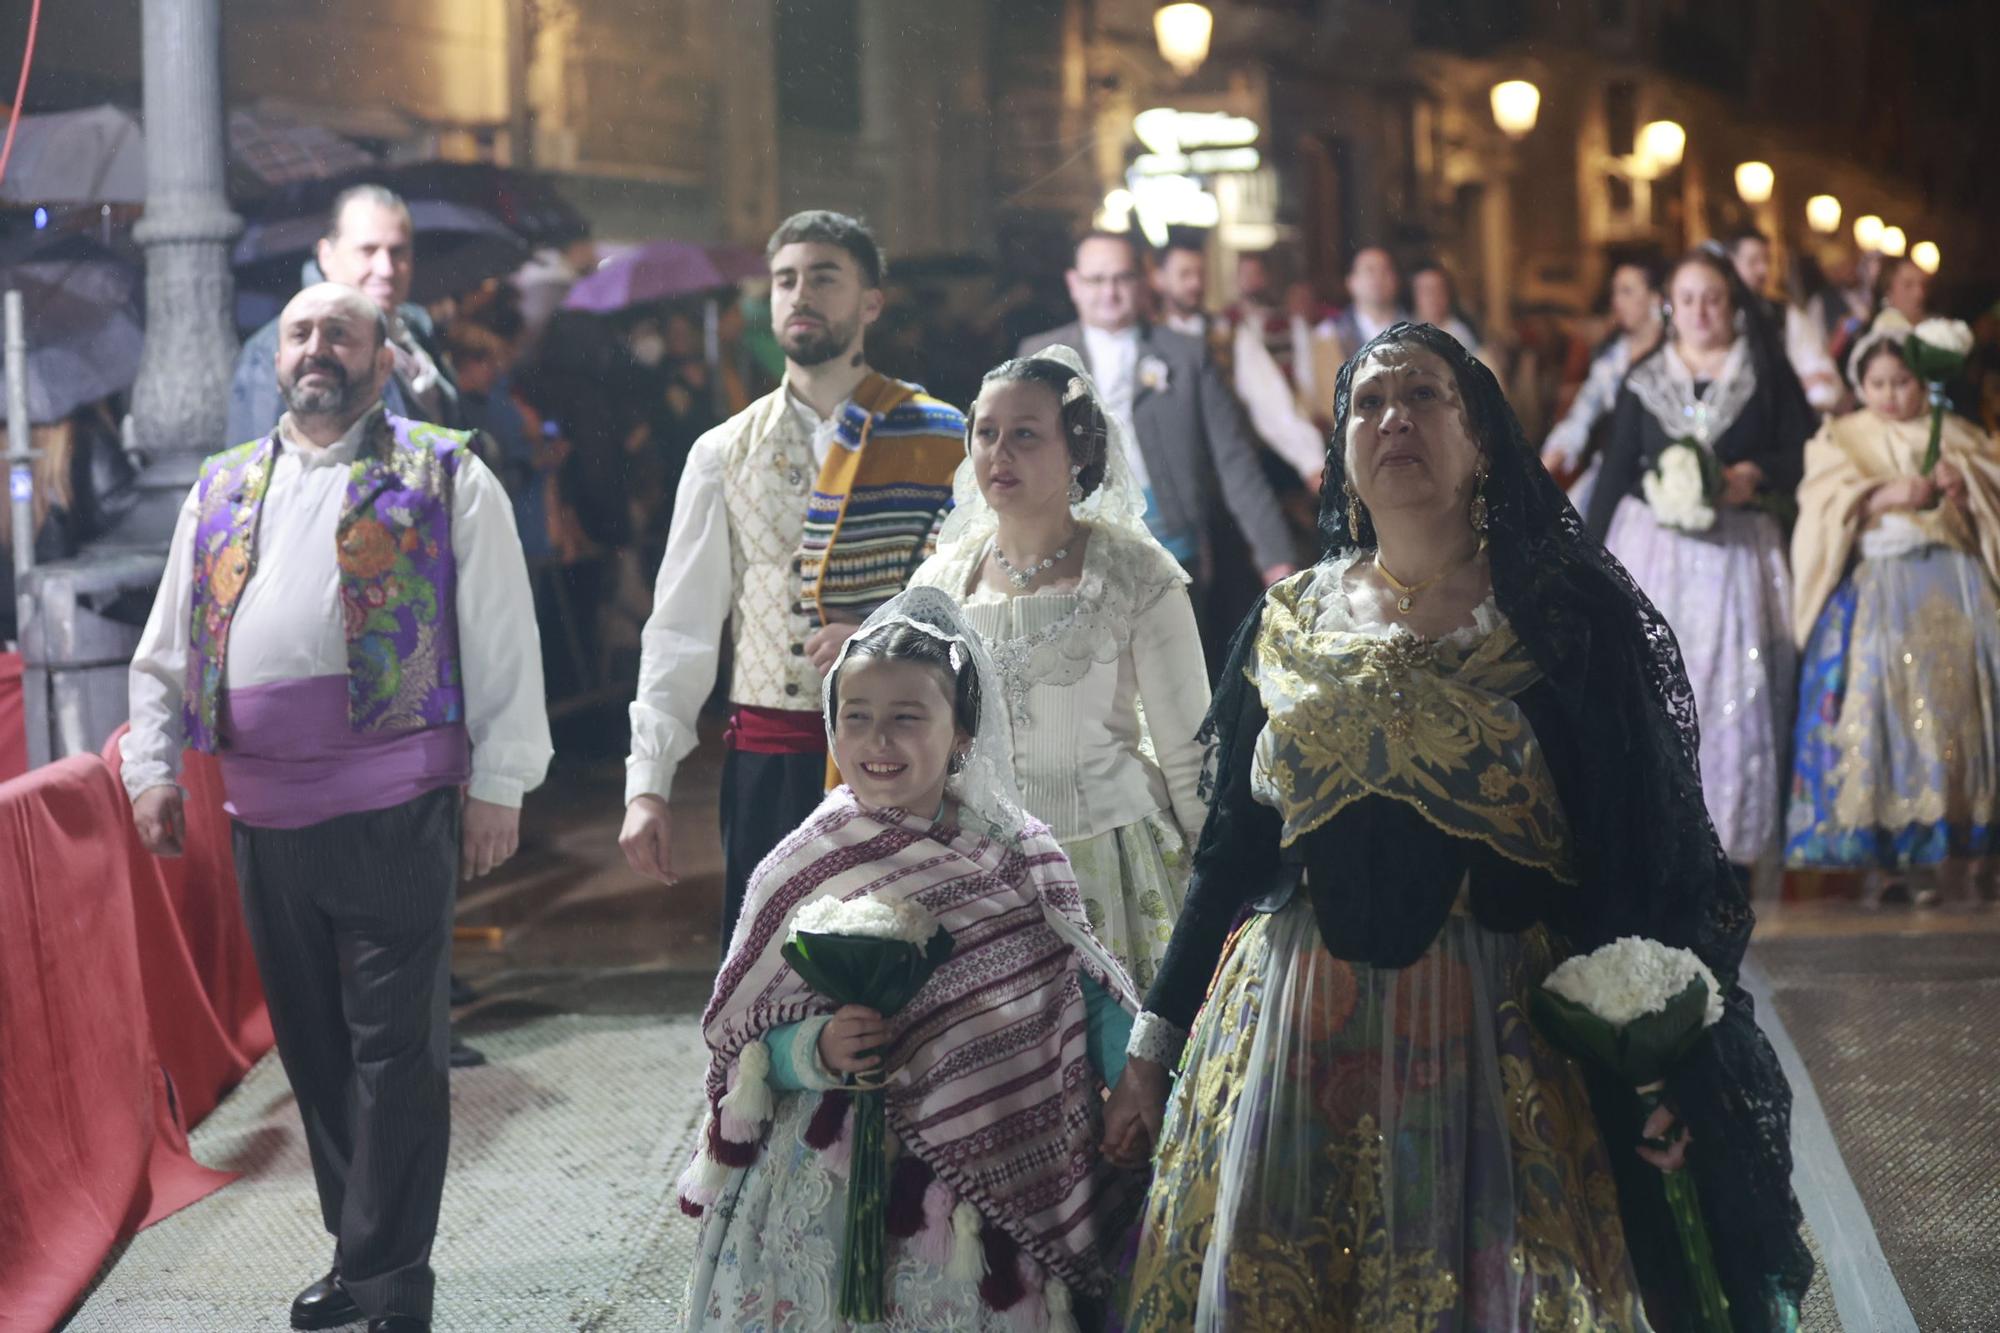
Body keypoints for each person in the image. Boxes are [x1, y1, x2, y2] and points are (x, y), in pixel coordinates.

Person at [1103, 321, 1812, 1330]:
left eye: (1425, 395)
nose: (1393, 417)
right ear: (1341, 450)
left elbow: (1640, 854)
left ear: (1480, 442)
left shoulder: (1563, 620)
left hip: (1500, 1038)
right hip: (1294, 1029)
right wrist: (1148, 1049)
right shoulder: (1285, 624)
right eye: (1368, 401)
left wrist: (1670, 1068)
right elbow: (1228, 854)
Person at [122, 284, 551, 1333]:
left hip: (396, 805)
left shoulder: (445, 471)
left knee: (395, 1049)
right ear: (276, 357)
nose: (318, 349)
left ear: (381, 353)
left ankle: (392, 1276)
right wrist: (152, 767)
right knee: (313, 1049)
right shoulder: (221, 487)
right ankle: (359, 1252)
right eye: (300, 333)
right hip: (263, 814)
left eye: (340, 333)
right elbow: (164, 646)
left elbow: (500, 632)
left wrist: (499, 781)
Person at [680, 586, 1140, 1329]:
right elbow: (742, 1038)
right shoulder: (801, 865)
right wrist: (814, 1048)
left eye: (906, 718)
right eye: (856, 719)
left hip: (1004, 1145)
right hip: (839, 1175)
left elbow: (1078, 985)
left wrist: (1131, 1079)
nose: (878, 742)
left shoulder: (1021, 851)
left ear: (962, 731)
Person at [621, 211, 966, 946]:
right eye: (785, 280)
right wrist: (647, 784)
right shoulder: (723, 451)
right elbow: (682, 625)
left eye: (823, 277)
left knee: (909, 964)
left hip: (908, 751)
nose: (799, 294)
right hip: (771, 758)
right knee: (772, 973)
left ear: (871, 301)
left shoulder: (939, 437)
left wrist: (886, 633)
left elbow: (976, 598)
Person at [910, 347, 1210, 990]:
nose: (999, 453)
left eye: (1025, 434)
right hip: (978, 872)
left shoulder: (1136, 574)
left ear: (1077, 450)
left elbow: (1189, 754)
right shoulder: (938, 583)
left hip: (1111, 866)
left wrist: (1221, 889)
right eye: (986, 434)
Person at [1585, 247, 1816, 885]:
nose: (1701, 311)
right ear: (1670, 308)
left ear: (1733, 305)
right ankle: (1663, 844)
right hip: (1659, 557)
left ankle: (1732, 847)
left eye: (1713, 297)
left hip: (1737, 555)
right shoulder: (1645, 379)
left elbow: (1802, 454)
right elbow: (1614, 475)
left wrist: (1755, 475)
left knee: (1733, 695)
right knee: (1663, 693)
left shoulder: (1765, 375)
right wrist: (1586, 565)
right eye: (1687, 299)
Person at [1786, 316, 2000, 905]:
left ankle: (1958, 848)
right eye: (1877, 383)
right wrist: (1879, 495)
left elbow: (1990, 491)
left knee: (1960, 710)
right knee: (1879, 706)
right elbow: (1823, 504)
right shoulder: (1842, 437)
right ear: (1861, 384)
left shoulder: (1957, 432)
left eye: (1902, 382)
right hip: (1877, 591)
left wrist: (1963, 489)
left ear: (1923, 382)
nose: (1890, 395)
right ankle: (1886, 854)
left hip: (1954, 588)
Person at [1018, 231, 1297, 599]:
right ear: (1074, 284)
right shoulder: (1041, 356)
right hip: (1071, 559)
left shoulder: (1187, 355)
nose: (1110, 292)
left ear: (1142, 282)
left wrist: (1276, 558)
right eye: (1096, 280)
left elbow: (1235, 461)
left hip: (1172, 554)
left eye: (1122, 278)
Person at [229, 185, 460, 444]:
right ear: (326, 256)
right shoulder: (278, 346)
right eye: (368, 251)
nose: (386, 269)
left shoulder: (414, 330)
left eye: (398, 252)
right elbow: (256, 469)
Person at [1153, 237, 1327, 486]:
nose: (1195, 283)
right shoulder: (1144, 338)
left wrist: (1312, 463)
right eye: (1184, 274)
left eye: (1201, 273)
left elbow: (1272, 403)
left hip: (1227, 473)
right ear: (1159, 279)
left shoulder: (1230, 336)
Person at [1541, 258, 1665, 511]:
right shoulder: (1612, 358)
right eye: (1615, 291)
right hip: (1615, 477)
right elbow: (1583, 412)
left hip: (1666, 479)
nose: (1616, 301)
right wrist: (1546, 463)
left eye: (1627, 291)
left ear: (1655, 298)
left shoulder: (1675, 356)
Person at [1728, 228, 1843, 412]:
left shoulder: (1785, 315)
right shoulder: (1718, 318)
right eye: (1753, 261)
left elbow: (1824, 382)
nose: (1763, 269)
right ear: (1731, 263)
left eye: (1767, 260)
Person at [1328, 245, 1409, 357]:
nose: (1378, 277)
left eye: (1385, 270)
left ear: (1396, 280)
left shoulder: (1418, 333)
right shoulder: (1329, 334)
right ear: (1350, 282)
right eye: (1370, 270)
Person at [1410, 260, 1485, 361]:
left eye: (1438, 289)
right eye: (1426, 290)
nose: (1433, 297)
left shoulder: (1461, 334)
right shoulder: (1402, 330)